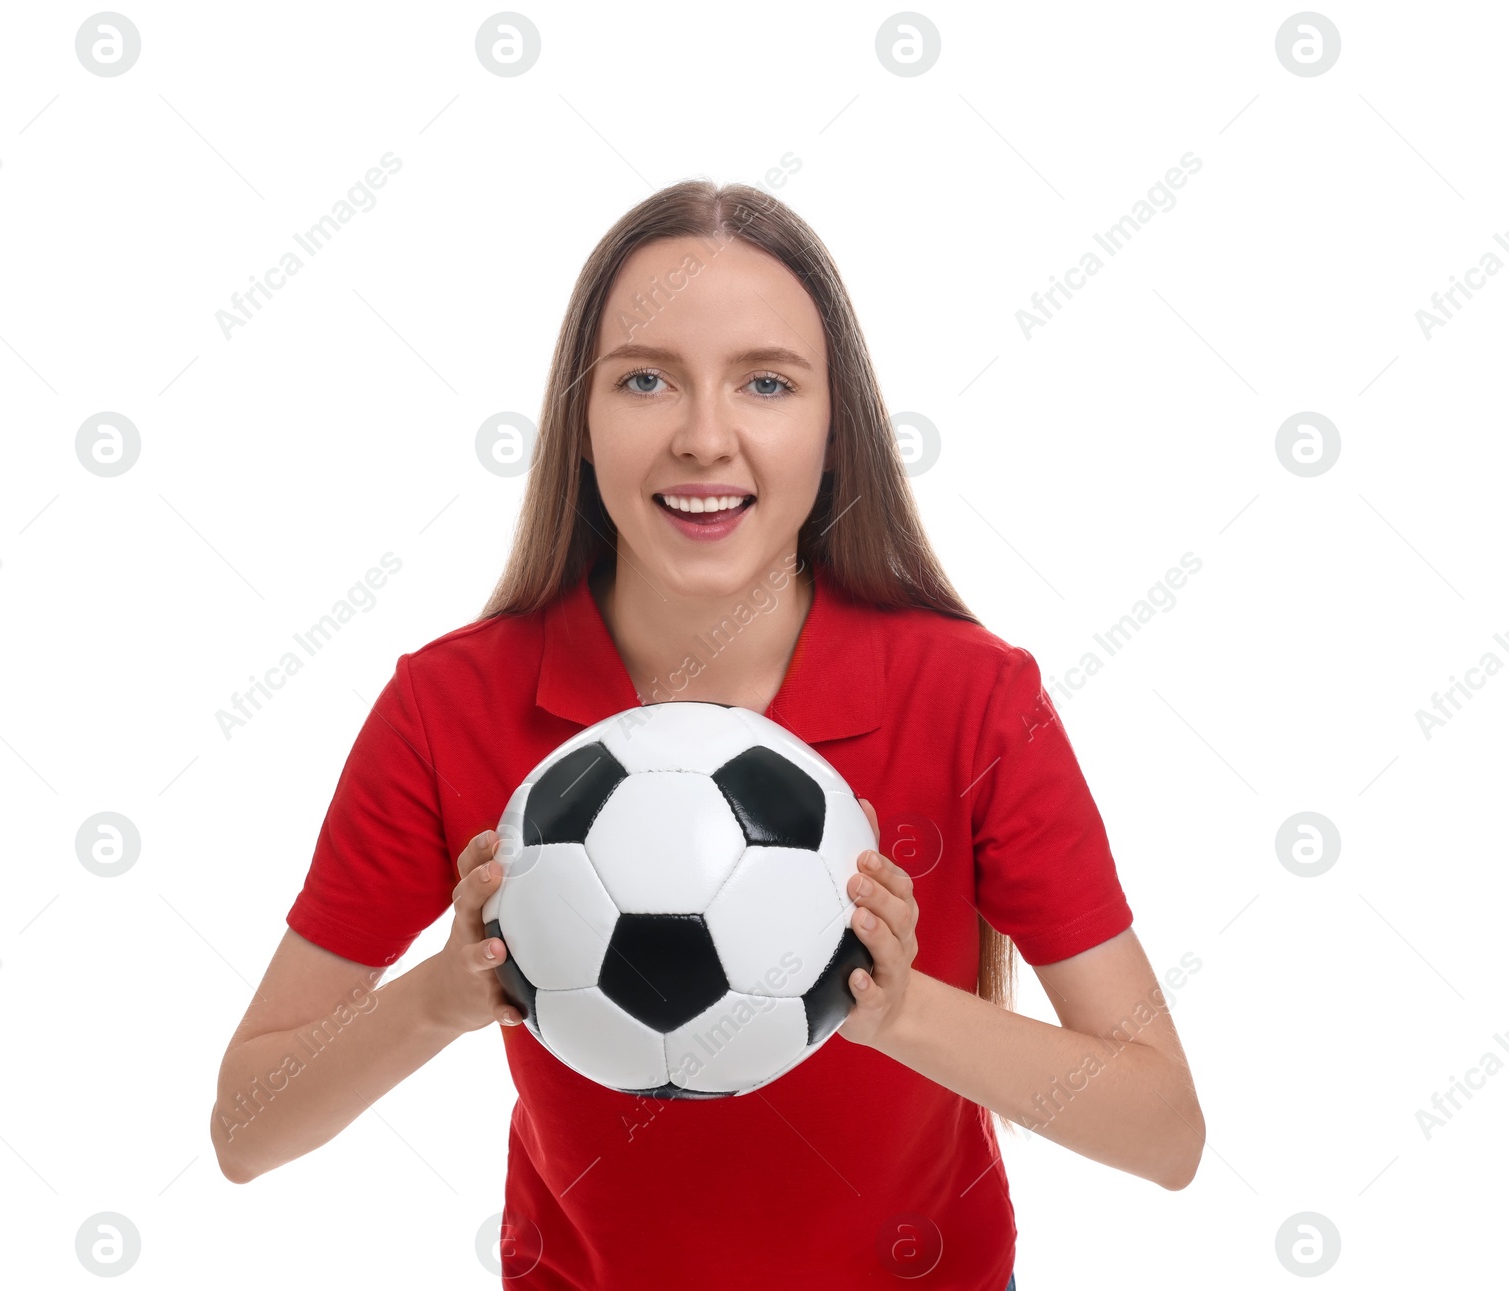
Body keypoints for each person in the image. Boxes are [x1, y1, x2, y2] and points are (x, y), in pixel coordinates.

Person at [209, 180, 1203, 1291]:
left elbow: (1163, 1132)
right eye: (644, 380)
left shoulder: (973, 699)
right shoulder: (451, 708)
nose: (703, 437)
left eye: (766, 383)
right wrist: (442, 994)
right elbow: (246, 1129)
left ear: (835, 432)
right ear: (580, 424)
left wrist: (900, 1007)